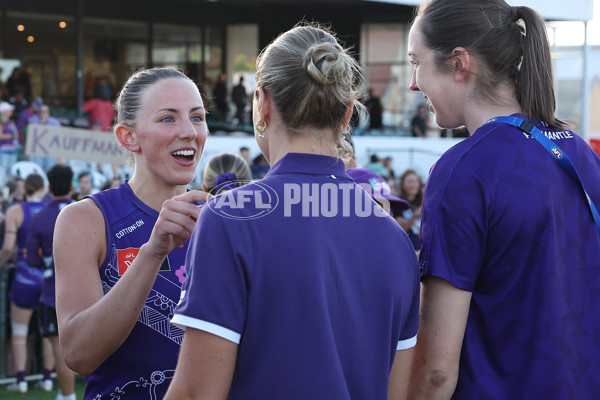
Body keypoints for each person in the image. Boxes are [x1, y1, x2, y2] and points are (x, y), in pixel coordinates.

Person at [165, 23, 420, 399]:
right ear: (347, 113)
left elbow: (195, 393)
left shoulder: (233, 218)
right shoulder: (395, 238)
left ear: (262, 103)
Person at [406, 1, 600, 399]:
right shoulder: (581, 153)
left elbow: (435, 374)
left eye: (415, 61)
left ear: (459, 63)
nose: (412, 82)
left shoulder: (463, 168)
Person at [53, 66, 210, 399]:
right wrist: (152, 252)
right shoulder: (86, 220)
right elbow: (80, 354)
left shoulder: (220, 220)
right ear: (129, 136)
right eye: (168, 119)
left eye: (197, 117)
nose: (189, 131)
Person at [0, 173, 55, 393]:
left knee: (19, 332)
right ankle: (48, 379)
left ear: (26, 189)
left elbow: (7, 248)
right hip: (47, 279)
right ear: (42, 188)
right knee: (48, 333)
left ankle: (21, 380)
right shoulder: (50, 210)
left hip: (23, 278)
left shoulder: (15, 211)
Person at [25, 165, 76, 400]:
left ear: (48, 187)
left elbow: (33, 259)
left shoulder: (40, 218)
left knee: (60, 349)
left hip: (53, 292)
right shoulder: (88, 211)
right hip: (91, 289)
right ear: (72, 185)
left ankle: (68, 396)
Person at [395, 169, 423, 253]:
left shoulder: (424, 201)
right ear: (403, 184)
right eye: (410, 182)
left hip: (422, 248)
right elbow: (401, 230)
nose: (413, 185)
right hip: (406, 249)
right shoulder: (397, 202)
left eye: (415, 181)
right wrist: (414, 215)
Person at [0, 101, 18, 181]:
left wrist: (12, 136)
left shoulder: (11, 122)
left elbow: (16, 134)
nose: (11, 111)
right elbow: (1, 136)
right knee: (3, 171)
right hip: (3, 150)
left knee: (11, 171)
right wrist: (12, 136)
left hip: (12, 150)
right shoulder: (1, 122)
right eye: (9, 110)